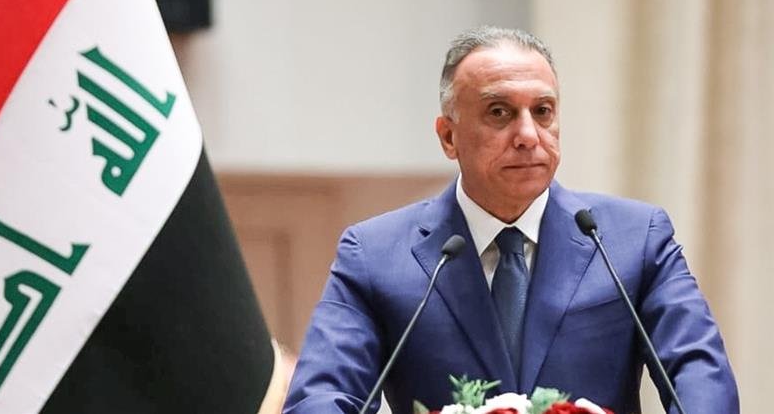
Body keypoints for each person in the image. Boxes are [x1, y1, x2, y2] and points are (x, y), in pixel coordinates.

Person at [283, 26, 738, 414]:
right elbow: (321, 396)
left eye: (542, 112)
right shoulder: (376, 255)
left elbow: (700, 376)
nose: (527, 135)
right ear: (448, 136)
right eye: (499, 112)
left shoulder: (634, 239)